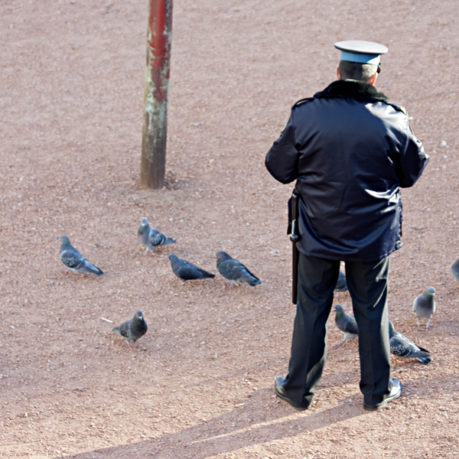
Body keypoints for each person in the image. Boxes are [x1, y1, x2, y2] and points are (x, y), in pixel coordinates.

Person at [265, 40, 429, 411]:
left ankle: (297, 390)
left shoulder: (307, 114)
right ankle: (377, 391)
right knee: (372, 309)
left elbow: (278, 168)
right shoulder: (392, 117)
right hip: (372, 234)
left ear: (338, 74)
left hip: (316, 230)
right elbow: (411, 173)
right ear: (374, 76)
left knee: (312, 309)